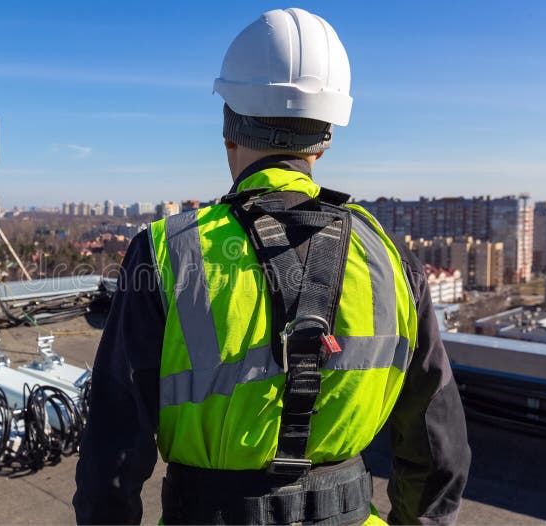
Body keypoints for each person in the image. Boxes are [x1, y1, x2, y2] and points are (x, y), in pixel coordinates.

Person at [74, 7, 470, 525]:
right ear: (325, 137)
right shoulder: (392, 259)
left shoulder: (167, 253)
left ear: (228, 128)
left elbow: (113, 457)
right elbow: (440, 450)